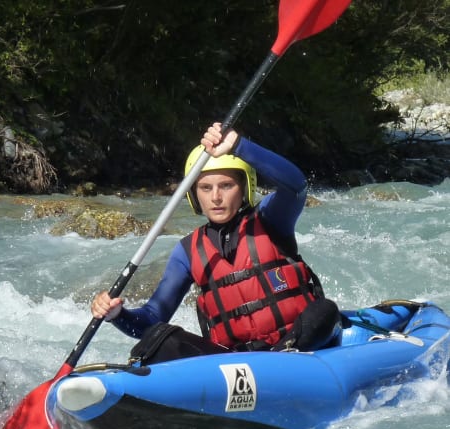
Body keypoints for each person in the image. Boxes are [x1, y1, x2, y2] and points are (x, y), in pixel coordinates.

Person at [91, 123, 340, 363]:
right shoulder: (187, 251)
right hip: (233, 365)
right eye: (205, 188)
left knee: (324, 311)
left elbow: (296, 186)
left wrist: (239, 145)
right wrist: (117, 315)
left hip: (297, 347)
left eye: (226, 185)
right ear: (193, 194)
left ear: (244, 188)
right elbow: (153, 318)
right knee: (159, 339)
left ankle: (284, 360)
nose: (216, 197)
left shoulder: (269, 219)